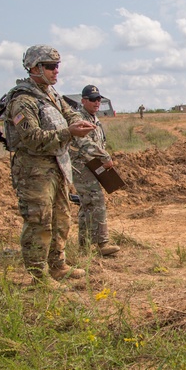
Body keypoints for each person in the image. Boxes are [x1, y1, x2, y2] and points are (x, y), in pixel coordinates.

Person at [3, 45, 96, 283]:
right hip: (34, 171)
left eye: (57, 66)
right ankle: (39, 275)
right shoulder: (22, 100)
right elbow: (32, 138)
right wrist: (69, 133)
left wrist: (78, 124)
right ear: (34, 68)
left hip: (57, 167)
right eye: (50, 66)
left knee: (61, 218)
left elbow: (71, 114)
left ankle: (57, 265)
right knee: (39, 222)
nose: (56, 71)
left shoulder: (51, 94)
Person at [69, 84, 120, 256]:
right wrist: (105, 157)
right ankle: (102, 243)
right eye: (92, 99)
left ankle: (85, 246)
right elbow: (85, 144)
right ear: (83, 101)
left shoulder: (93, 119)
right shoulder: (79, 118)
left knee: (87, 205)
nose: (96, 102)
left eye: (98, 99)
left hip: (93, 166)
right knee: (95, 201)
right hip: (82, 167)